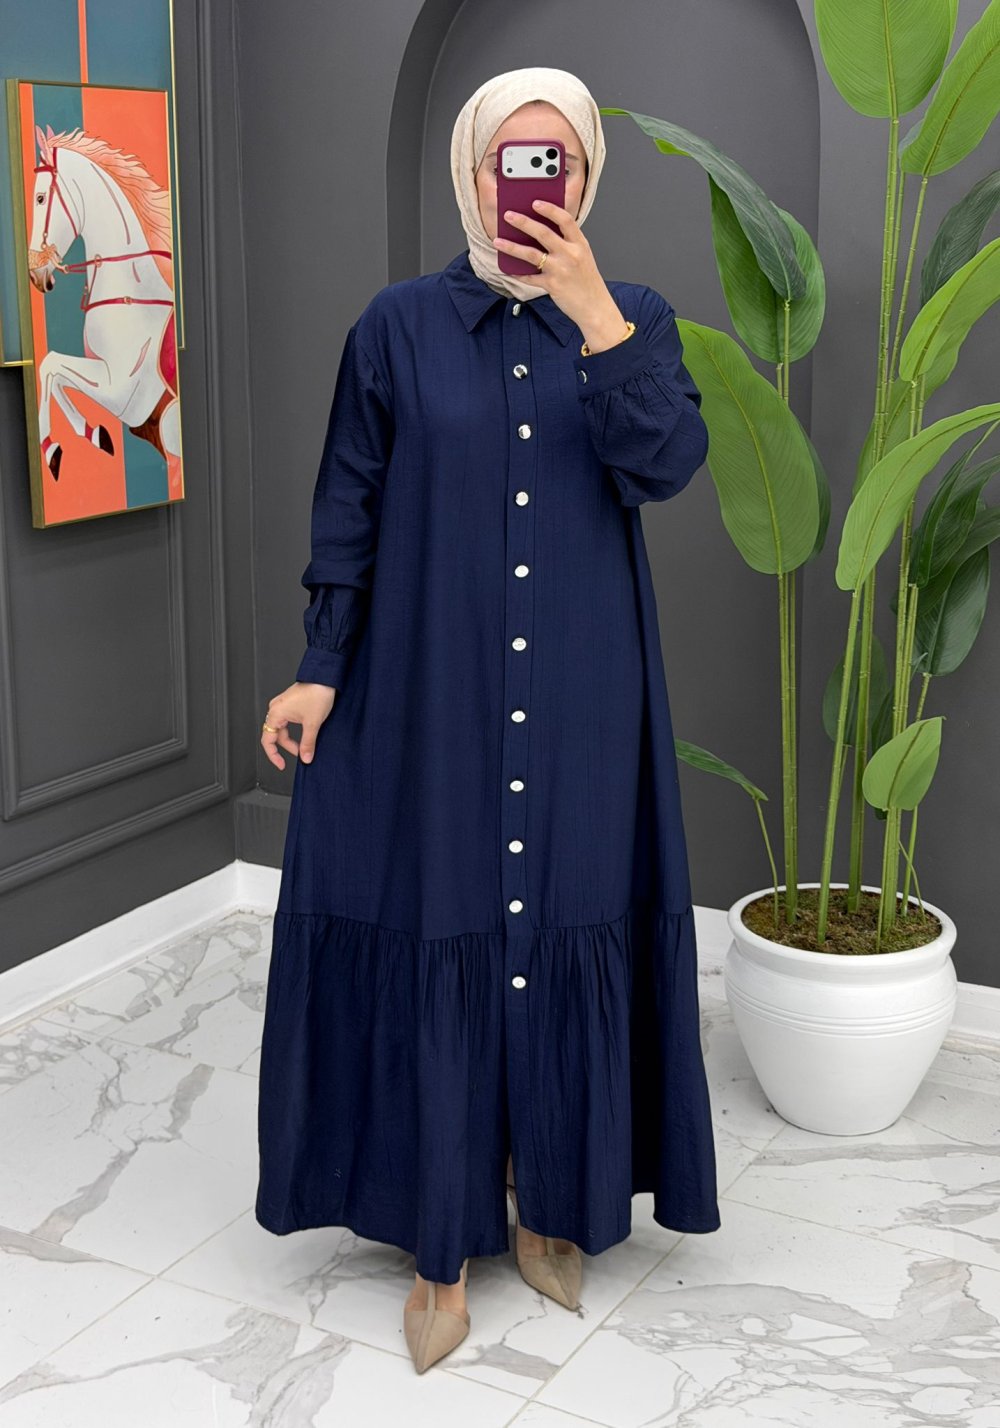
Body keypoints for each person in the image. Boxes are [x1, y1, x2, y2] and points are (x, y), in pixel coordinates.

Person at [256, 66, 720, 1375]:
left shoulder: (634, 315)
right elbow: (349, 501)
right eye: (511, 160)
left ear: (586, 179)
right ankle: (440, 1242)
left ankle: (552, 1207)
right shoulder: (395, 328)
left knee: (567, 913)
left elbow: (667, 464)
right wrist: (319, 666)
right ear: (470, 176)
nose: (534, 183)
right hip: (428, 690)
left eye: (556, 161)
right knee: (443, 919)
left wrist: (593, 315)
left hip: (584, 693)